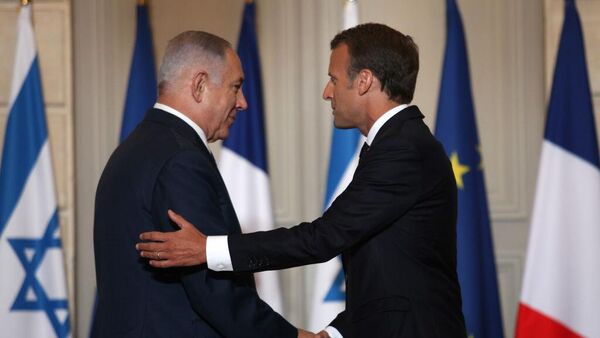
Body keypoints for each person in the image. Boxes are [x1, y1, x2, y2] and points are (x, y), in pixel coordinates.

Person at [136, 24, 467, 338]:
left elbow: (325, 237)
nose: (327, 93)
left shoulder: (403, 148)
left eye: (333, 79)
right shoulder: (395, 144)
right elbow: (388, 272)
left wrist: (208, 249)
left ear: (364, 81)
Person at [93, 31, 314, 338]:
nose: (243, 103)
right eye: (235, 87)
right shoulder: (179, 158)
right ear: (199, 85)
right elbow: (212, 288)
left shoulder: (138, 147)